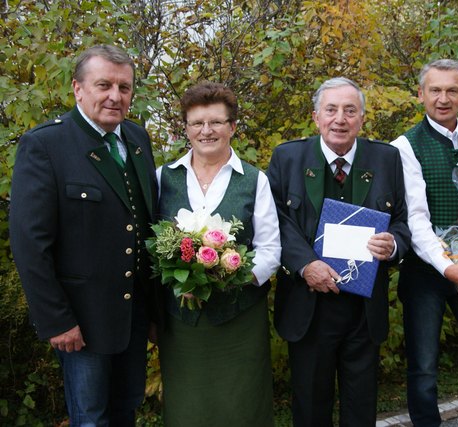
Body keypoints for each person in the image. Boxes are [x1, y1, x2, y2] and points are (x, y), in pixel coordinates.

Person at [9, 45, 158, 426]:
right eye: (104, 85)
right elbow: (30, 244)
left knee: (126, 409)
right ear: (78, 88)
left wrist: (155, 310)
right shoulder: (45, 145)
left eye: (124, 88)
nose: (115, 96)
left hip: (133, 315)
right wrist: (56, 319)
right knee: (90, 418)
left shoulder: (138, 140)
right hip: (82, 320)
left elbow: (144, 224)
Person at [266, 77, 411, 426]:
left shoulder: (386, 158)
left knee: (361, 408)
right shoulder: (288, 157)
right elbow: (276, 222)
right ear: (316, 117)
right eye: (331, 110)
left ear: (362, 118)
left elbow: (403, 221)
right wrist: (305, 265)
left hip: (364, 308)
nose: (340, 119)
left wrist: (393, 244)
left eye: (350, 110)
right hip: (309, 304)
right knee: (311, 407)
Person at [155, 81, 281, 426]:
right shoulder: (162, 178)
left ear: (233, 127)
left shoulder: (255, 180)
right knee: (188, 408)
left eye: (216, 122)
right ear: (186, 129)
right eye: (196, 123)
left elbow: (270, 248)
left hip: (239, 318)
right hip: (181, 323)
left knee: (241, 406)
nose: (206, 131)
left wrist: (230, 275)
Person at [390, 59, 458, 427]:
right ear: (420, 94)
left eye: (451, 90)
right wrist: (447, 265)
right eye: (435, 90)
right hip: (426, 272)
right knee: (423, 367)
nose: (443, 98)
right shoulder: (404, 146)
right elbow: (416, 219)